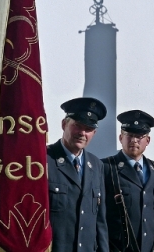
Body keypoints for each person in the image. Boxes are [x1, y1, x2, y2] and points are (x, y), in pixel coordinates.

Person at [46, 97, 109, 252]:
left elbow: (100, 221)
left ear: (94, 133)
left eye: (88, 129)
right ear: (64, 124)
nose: (82, 133)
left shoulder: (96, 165)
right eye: (77, 126)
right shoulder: (43, 159)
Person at [102, 110, 154, 252]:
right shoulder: (106, 167)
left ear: (147, 140)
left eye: (139, 136)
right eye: (129, 135)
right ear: (121, 138)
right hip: (117, 248)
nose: (134, 140)